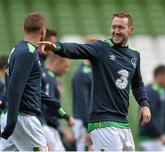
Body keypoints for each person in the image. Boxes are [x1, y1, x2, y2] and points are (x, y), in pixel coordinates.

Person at [38, 11, 151, 151]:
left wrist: (144, 104)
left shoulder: (134, 56)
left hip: (123, 122)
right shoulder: (101, 48)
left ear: (131, 30)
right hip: (103, 122)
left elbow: (138, 84)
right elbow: (78, 49)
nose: (116, 31)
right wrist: (56, 47)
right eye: (113, 27)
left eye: (120, 27)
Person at [0, 13, 69, 151]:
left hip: (15, 115)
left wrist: (53, 103)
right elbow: (14, 88)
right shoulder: (29, 52)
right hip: (23, 118)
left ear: (23, 28)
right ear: (42, 30)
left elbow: (26, 86)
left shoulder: (18, 49)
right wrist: (12, 121)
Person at [138, 65, 165, 151]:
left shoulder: (158, 91)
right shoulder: (150, 91)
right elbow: (150, 115)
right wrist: (160, 134)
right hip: (150, 138)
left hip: (154, 138)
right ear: (161, 76)